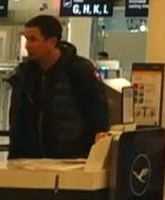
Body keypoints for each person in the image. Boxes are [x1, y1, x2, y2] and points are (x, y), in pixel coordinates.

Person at [7, 15, 109, 159]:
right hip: (30, 160)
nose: (27, 45)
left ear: (52, 41)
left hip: (71, 159)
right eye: (26, 39)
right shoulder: (25, 74)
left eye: (33, 39)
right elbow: (17, 120)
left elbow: (97, 115)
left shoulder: (78, 70)